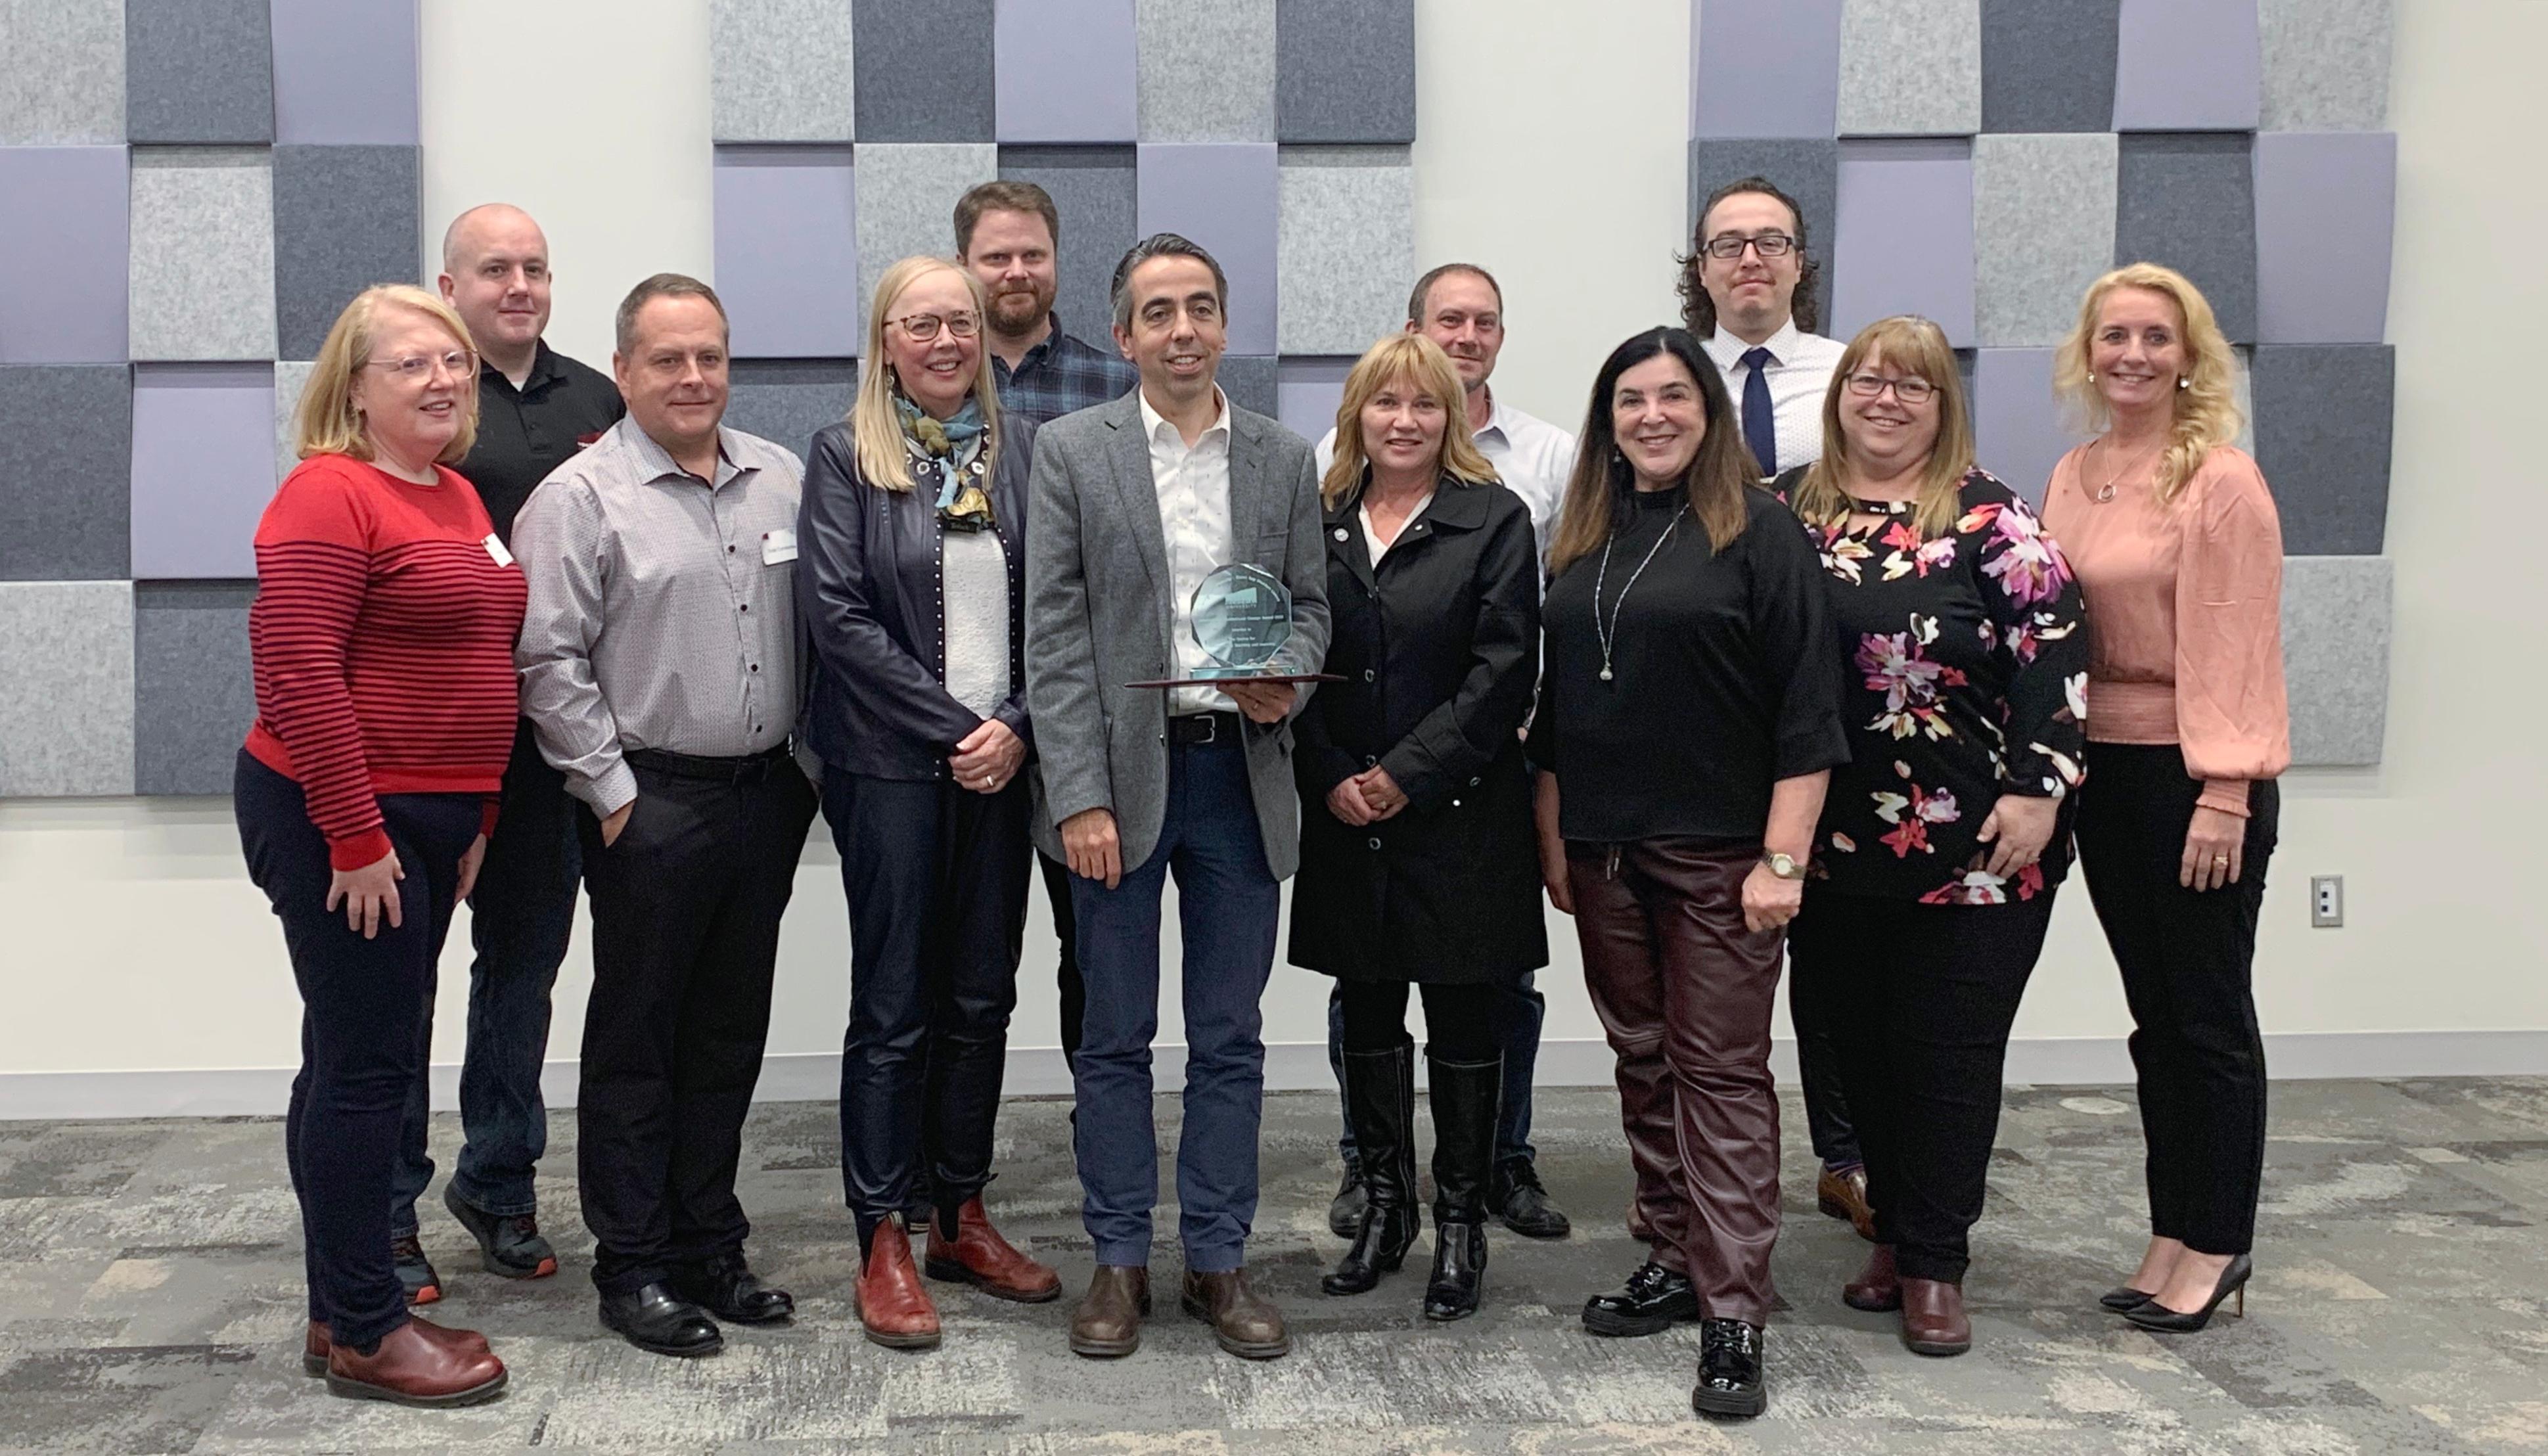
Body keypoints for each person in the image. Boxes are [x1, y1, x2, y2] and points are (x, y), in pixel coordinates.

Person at [1529, 327, 1845, 1418]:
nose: (1650, 416)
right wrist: (1554, 837)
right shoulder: (1585, 533)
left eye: (1672, 396)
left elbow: (1811, 716)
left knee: (1720, 1076)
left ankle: (1734, 1311)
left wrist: (1781, 861)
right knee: (1642, 1061)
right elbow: (1559, 715)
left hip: (1723, 858)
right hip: (1603, 849)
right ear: (1606, 421)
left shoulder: (1759, 531)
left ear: (1707, 411)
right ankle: (1668, 1254)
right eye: (1629, 400)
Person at [1026, 234, 1329, 1362]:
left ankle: (1216, 1258)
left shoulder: (1283, 457)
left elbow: (1310, 606)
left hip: (1237, 782)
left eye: (1201, 306)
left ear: (1223, 323)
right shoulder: (1069, 452)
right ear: (1124, 336)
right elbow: (1052, 637)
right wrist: (1076, 796)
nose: (1184, 329)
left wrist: (1285, 677)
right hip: (1118, 781)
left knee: (1229, 1038)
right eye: (1159, 312)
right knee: (1113, 1038)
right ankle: (1116, 1261)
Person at [513, 275, 817, 1359]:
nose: (694, 378)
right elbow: (546, 659)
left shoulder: (780, 477)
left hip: (766, 797)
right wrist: (611, 790)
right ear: (626, 369)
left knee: (728, 1034)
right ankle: (633, 1265)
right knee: (640, 1041)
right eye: (669, 360)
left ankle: (709, 1247)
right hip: (650, 804)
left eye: (711, 357)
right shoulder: (579, 497)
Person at [1776, 317, 2091, 1357]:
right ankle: (1894, 1233)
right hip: (1828, 844)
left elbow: (2057, 652)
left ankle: (1936, 1265)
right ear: (1840, 395)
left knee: (1947, 1058)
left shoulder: (1994, 520)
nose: (1884, 399)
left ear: (1939, 404)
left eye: (1909, 386)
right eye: (1866, 380)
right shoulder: (1787, 510)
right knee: (1857, 1054)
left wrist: (2039, 788)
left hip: (1979, 847)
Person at [234, 284, 515, 1406]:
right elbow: (297, 674)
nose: (443, 379)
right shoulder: (326, 492)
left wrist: (479, 819)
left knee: (350, 1059)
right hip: (344, 818)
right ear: (354, 387)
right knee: (369, 1073)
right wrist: (354, 833)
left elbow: (470, 671)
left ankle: (335, 1303)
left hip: (428, 820)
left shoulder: (449, 493)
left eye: (452, 363)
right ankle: (364, 1328)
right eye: (412, 365)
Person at [798, 256, 1057, 1351]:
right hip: (893, 770)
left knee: (982, 996)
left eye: (958, 321)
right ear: (885, 340)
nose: (945, 340)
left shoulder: (1030, 453)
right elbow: (838, 617)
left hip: (1006, 768)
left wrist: (1021, 727)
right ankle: (882, 1233)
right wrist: (963, 729)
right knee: (895, 1002)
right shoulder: (845, 455)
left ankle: (959, 1210)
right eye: (921, 323)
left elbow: (1068, 606)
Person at [2040, 263, 2288, 1334]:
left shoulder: (2220, 478)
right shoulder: (2071, 471)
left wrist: (2226, 791)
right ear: (2086, 354)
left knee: (2207, 1019)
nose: (2132, 355)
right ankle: (2169, 1233)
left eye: (2155, 336)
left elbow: (2239, 637)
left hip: (2194, 775)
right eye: (2114, 337)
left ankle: (2218, 1243)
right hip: (2103, 772)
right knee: (2154, 1022)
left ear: (2189, 355)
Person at [382, 204, 624, 1304]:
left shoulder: (597, 400)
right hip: (436, 745)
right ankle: (386, 1207)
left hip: (550, 746)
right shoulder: (424, 397)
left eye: (534, 266)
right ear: (449, 281)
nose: (517, 285)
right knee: (400, 989)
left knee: (520, 972)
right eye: (493, 269)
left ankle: (497, 1180)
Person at [1311, 263, 1577, 1244]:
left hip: (1462, 812)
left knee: (1470, 1020)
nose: (1405, 419)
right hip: (1349, 818)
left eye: (1425, 403)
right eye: (1386, 400)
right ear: (1357, 413)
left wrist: (1401, 776)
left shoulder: (1495, 515)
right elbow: (1298, 654)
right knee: (1369, 1013)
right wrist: (1335, 774)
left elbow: (1504, 670)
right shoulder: (1320, 516)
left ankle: (1461, 1222)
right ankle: (1385, 1208)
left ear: (1452, 417)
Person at [1679, 175, 1866, 1239]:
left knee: (1832, 955)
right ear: (1699, 268)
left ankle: (1846, 1155)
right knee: (1714, 958)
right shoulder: (1663, 381)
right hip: (1707, 704)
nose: (1749, 261)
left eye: (1770, 243)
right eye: (1727, 246)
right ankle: (1703, 1185)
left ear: (1799, 262)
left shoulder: (1850, 377)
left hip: (1827, 692)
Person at [951, 178, 1136, 1202]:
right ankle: (956, 1178)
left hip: (1080, 733)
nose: (1014, 273)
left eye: (1031, 255)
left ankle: (1099, 1142)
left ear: (1055, 262)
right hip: (969, 738)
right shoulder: (928, 385)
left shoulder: (1116, 388)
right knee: (971, 975)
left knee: (1093, 959)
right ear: (967, 264)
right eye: (995, 257)